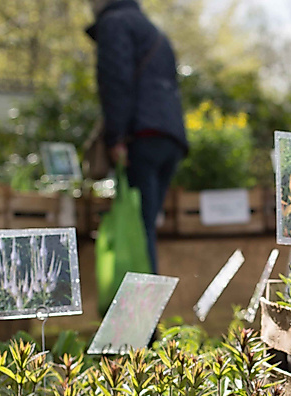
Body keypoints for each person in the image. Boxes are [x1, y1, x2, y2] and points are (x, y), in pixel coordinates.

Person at [87, 0, 187, 273]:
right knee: (145, 225)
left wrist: (116, 137)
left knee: (138, 230)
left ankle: (141, 312)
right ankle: (144, 308)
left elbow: (115, 82)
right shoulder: (152, 30)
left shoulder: (114, 23)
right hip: (170, 137)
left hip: (142, 137)